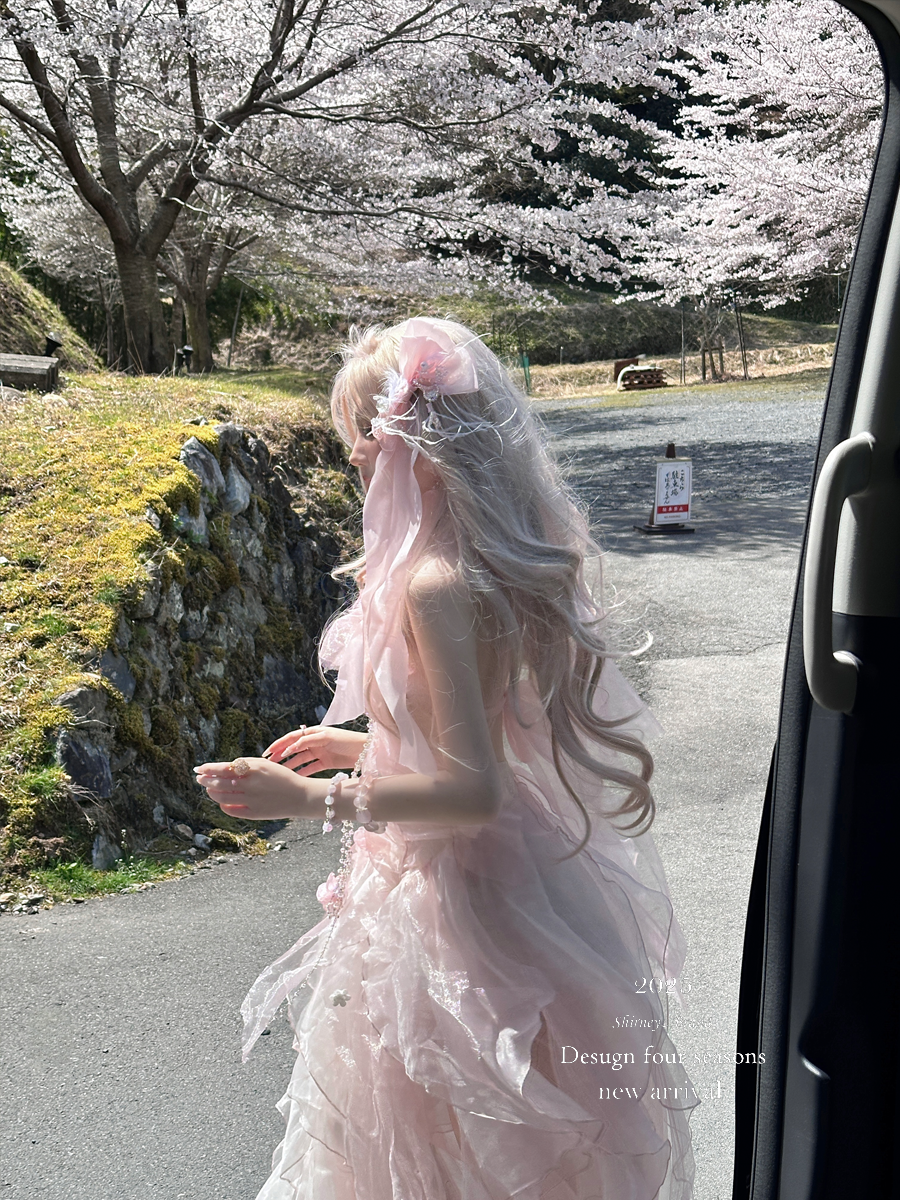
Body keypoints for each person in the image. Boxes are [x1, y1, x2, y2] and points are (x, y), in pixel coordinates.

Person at [194, 317, 697, 1199]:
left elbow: (470, 791)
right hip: (519, 876)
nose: (353, 457)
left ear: (414, 444)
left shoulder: (434, 583)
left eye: (362, 436)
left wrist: (312, 801)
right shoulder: (477, 562)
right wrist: (362, 744)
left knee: (451, 1126)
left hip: (467, 899)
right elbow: (477, 737)